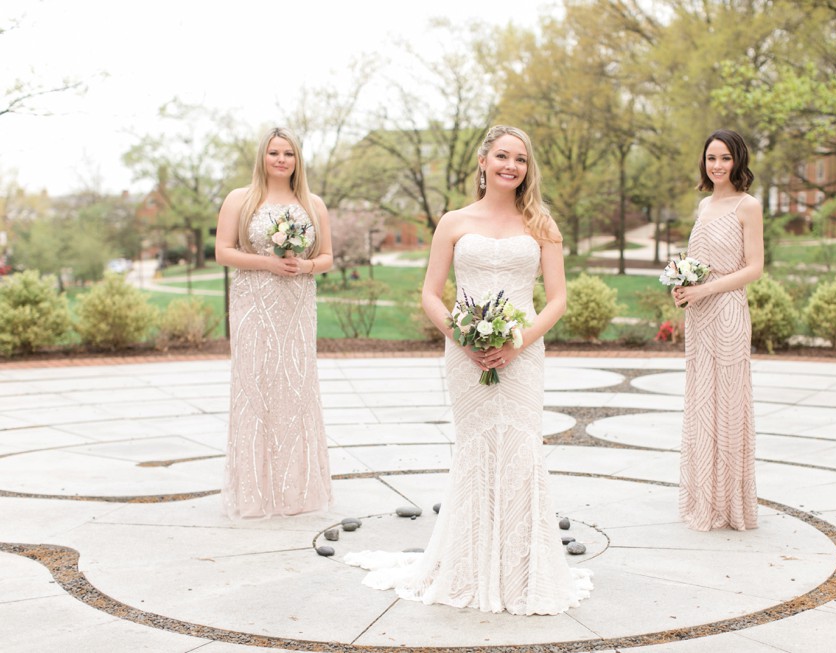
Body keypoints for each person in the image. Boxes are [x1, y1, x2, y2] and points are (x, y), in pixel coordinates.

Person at [344, 125, 592, 615]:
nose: (511, 165)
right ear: (483, 161)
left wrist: (517, 342)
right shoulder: (453, 222)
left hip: (523, 355)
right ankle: (467, 567)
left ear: (527, 168)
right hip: (465, 355)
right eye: (502, 155)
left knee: (521, 450)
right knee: (476, 450)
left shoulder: (542, 223)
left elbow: (558, 299)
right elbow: (430, 294)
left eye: (520, 159)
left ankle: (524, 574)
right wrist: (462, 337)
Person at [214, 126, 334, 518]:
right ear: (262, 158)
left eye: (289, 153)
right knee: (255, 387)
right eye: (274, 153)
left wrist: (306, 265)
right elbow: (223, 251)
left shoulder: (312, 203)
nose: (281, 159)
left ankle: (295, 493)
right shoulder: (241, 199)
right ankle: (253, 493)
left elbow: (328, 257)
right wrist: (268, 262)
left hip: (297, 302)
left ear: (297, 160)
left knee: (295, 388)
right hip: (253, 301)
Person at [673, 128, 763, 531]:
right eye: (711, 158)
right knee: (702, 401)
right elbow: (699, 260)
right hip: (699, 315)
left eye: (725, 158)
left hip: (727, 311)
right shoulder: (704, 205)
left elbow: (754, 268)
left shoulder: (749, 206)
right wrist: (683, 287)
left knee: (727, 402)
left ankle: (730, 504)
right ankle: (704, 499)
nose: (717, 166)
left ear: (738, 161)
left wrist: (708, 288)